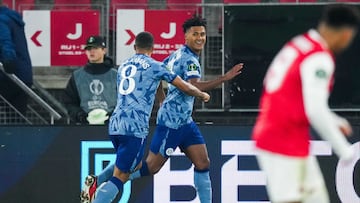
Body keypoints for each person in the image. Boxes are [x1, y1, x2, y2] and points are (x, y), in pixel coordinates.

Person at [80, 31, 210, 203]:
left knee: (135, 165)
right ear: (153, 48)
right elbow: (185, 86)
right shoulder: (156, 66)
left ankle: (97, 180)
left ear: (135, 47)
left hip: (115, 124)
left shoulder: (123, 66)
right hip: (134, 127)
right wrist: (202, 95)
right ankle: (97, 188)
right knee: (121, 176)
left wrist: (161, 98)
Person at [126, 16, 243, 203]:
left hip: (185, 121)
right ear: (186, 37)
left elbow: (156, 74)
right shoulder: (190, 60)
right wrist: (224, 78)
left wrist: (162, 100)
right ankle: (114, 179)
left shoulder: (177, 53)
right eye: (195, 34)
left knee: (203, 163)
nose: (200, 38)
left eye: (203, 34)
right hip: (172, 122)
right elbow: (195, 87)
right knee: (151, 167)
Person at [252, 4, 360, 203]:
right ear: (346, 34)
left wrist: (333, 119)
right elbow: (315, 110)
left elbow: (293, 94)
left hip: (291, 138)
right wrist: (343, 149)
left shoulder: (300, 44)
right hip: (281, 141)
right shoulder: (320, 58)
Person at [65, 36, 117, 125]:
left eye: (95, 48)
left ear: (104, 50)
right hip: (85, 127)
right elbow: (69, 102)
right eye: (88, 49)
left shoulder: (116, 75)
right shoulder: (77, 76)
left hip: (112, 126)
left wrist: (113, 116)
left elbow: (125, 102)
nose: (91, 51)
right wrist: (80, 115)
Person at [0, 1, 33, 115]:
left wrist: (8, 61)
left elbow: (5, 42)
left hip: (10, 76)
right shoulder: (13, 18)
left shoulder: (1, 20)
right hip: (24, 75)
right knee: (17, 119)